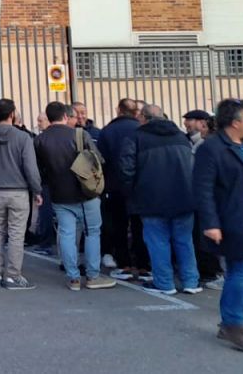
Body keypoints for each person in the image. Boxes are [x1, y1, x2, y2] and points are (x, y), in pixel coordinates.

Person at [194, 99, 243, 352]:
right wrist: (211, 223)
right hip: (234, 222)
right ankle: (234, 323)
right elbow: (202, 189)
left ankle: (229, 323)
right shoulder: (212, 149)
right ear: (235, 122)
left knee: (241, 271)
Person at [120, 104, 202, 295]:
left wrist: (130, 193)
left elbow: (126, 169)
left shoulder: (135, 137)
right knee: (184, 240)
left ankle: (165, 283)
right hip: (184, 196)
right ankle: (191, 281)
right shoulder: (180, 136)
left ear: (143, 118)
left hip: (151, 198)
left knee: (158, 241)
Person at [35, 103, 116, 291]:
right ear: (65, 115)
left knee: (66, 234)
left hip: (58, 194)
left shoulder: (40, 140)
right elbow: (98, 160)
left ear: (49, 117)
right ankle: (93, 276)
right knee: (92, 232)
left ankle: (73, 278)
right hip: (85, 192)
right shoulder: (79, 134)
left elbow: (38, 170)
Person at [0, 99, 44, 290]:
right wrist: (37, 190)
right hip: (18, 191)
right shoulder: (23, 138)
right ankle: (13, 276)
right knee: (16, 234)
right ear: (13, 113)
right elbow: (31, 168)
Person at [98, 98, 149, 281]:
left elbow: (100, 161)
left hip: (114, 186)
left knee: (118, 226)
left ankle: (124, 265)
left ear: (118, 110)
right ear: (136, 112)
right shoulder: (143, 130)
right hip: (141, 186)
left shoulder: (107, 131)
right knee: (140, 227)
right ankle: (144, 266)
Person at [183, 110, 224, 287]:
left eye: (205, 127)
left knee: (208, 239)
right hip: (217, 199)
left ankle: (216, 273)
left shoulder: (206, 147)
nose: (202, 130)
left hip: (209, 199)